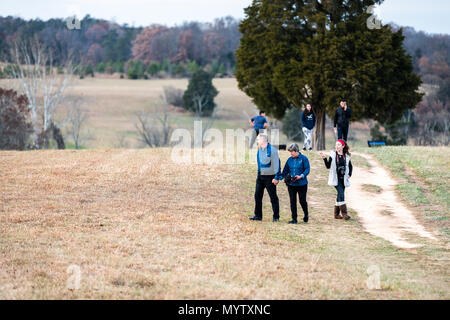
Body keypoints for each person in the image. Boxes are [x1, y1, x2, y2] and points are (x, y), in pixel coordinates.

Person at [249, 134, 282, 222]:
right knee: (257, 195)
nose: (257, 141)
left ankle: (276, 217)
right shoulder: (259, 149)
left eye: (258, 140)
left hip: (270, 177)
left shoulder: (272, 150)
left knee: (273, 197)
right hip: (260, 176)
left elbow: (277, 164)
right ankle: (258, 216)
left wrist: (277, 177)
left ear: (263, 141)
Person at [320, 139, 353, 220]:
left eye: (338, 145)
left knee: (339, 195)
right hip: (336, 179)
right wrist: (324, 158)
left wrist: (349, 174)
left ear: (343, 146)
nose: (337, 146)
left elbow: (350, 166)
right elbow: (328, 166)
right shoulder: (333, 155)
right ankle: (345, 214)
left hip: (343, 179)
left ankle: (336, 214)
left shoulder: (346, 156)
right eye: (336, 145)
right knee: (341, 194)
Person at [280, 143, 310, 224]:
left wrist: (301, 176)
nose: (291, 154)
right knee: (292, 201)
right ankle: (294, 219)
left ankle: (306, 214)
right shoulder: (289, 160)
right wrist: (279, 178)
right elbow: (285, 171)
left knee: (302, 200)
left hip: (302, 184)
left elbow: (307, 169)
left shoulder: (304, 159)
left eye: (292, 152)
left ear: (296, 151)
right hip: (291, 184)